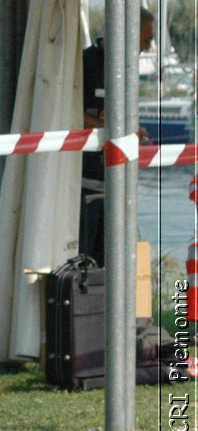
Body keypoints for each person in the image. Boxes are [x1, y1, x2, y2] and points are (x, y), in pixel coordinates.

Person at [79, 8, 155, 265]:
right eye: (146, 40)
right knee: (85, 266)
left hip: (117, 188)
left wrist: (134, 134)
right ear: (128, 33)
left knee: (111, 266)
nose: (147, 47)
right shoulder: (86, 63)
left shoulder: (127, 68)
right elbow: (69, 113)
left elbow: (118, 119)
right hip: (85, 188)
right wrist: (112, 130)